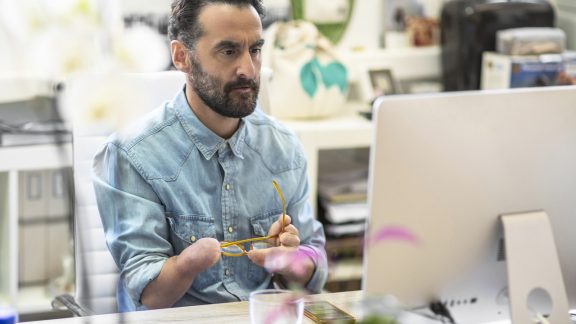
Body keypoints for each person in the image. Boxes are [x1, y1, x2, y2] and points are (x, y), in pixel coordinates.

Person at [92, 0, 328, 312]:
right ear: (181, 57)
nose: (248, 69)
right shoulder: (130, 154)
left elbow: (315, 262)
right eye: (228, 51)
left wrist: (293, 260)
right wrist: (186, 265)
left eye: (255, 50)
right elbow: (147, 293)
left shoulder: (283, 146)